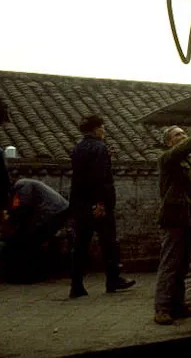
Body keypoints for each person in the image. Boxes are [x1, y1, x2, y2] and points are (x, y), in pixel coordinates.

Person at [69, 114, 135, 298]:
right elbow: (98, 178)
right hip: (98, 205)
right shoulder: (99, 148)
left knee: (80, 245)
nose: (104, 132)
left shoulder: (78, 149)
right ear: (97, 129)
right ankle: (113, 279)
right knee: (109, 243)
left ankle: (76, 284)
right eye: (103, 128)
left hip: (80, 204)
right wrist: (99, 203)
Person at [154, 124, 191, 325]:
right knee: (170, 264)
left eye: (184, 133)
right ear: (168, 142)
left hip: (187, 218)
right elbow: (182, 149)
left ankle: (177, 304)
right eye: (177, 135)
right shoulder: (167, 159)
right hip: (173, 218)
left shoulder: (187, 163)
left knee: (183, 265)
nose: (182, 136)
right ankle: (162, 308)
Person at [1, 178, 70, 282]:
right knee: (34, 239)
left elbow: (24, 206)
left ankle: (33, 274)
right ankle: (38, 273)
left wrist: (11, 219)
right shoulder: (23, 185)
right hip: (56, 211)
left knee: (31, 240)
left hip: (54, 212)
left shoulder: (22, 184)